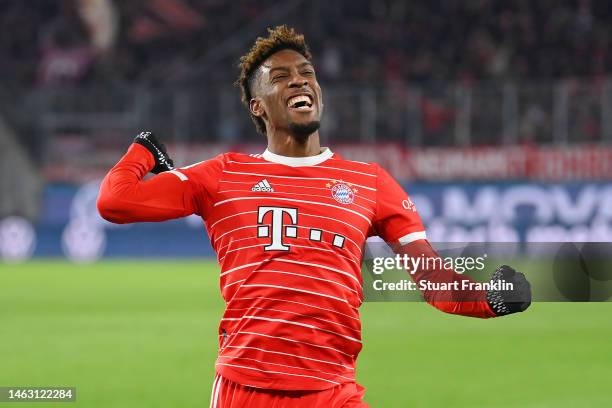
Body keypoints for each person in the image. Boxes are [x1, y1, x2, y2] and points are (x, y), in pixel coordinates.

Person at [97, 25, 531, 408]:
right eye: (280, 77)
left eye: (306, 73)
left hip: (334, 392)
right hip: (245, 389)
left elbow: (436, 284)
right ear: (258, 106)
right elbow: (115, 202)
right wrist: (144, 151)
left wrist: (491, 299)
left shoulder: (371, 183)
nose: (299, 81)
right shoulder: (223, 175)